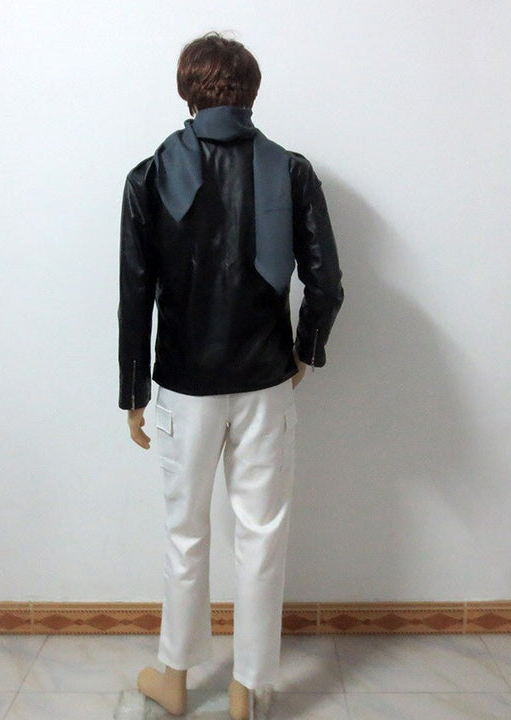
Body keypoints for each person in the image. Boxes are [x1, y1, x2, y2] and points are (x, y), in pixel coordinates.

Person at [118, 32, 343, 719]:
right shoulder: (291, 170)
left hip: (184, 385)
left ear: (187, 90)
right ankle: (248, 688)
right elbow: (326, 282)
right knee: (262, 535)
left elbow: (135, 292)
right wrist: (304, 351)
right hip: (264, 380)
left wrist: (133, 392)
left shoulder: (149, 175)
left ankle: (174, 678)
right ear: (252, 89)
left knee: (184, 533)